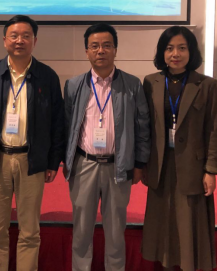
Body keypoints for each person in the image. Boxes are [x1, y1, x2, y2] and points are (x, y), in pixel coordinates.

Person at [0, 14, 65, 271]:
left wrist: (53, 161)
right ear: (4, 40)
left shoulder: (47, 76)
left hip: (31, 161)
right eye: (14, 35)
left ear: (35, 40)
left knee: (30, 231)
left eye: (26, 36)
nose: (19, 40)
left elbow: (57, 122)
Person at [63, 23, 151, 271]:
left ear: (115, 50)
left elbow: (143, 127)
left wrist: (140, 163)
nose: (100, 51)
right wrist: (65, 161)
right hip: (84, 165)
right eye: (94, 46)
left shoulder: (132, 85)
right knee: (81, 231)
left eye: (106, 45)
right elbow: (66, 126)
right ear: (86, 51)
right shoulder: (73, 85)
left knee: (115, 232)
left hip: (118, 166)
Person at [141, 26, 217, 271]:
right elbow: (144, 126)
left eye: (181, 48)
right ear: (162, 52)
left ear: (191, 52)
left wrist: (211, 170)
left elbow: (215, 129)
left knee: (189, 223)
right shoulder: (151, 82)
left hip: (193, 166)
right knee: (163, 220)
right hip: (160, 163)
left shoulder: (207, 85)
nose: (175, 54)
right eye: (169, 48)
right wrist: (142, 163)